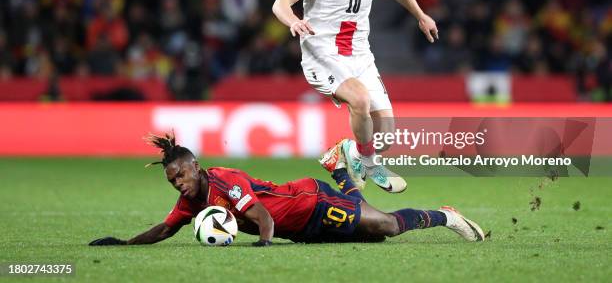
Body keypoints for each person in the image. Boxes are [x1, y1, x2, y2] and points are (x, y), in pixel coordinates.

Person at [272, 0, 438, 193]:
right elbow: (280, 3)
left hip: (360, 56)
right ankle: (370, 164)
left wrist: (421, 15)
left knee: (384, 136)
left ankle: (351, 151)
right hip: (321, 54)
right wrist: (294, 21)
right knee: (359, 101)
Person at [89, 134, 484, 246]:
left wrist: (262, 247)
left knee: (387, 228)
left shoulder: (227, 181)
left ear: (197, 166)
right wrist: (124, 243)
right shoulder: (190, 200)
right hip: (303, 231)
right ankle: (340, 168)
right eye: (173, 181)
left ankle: (445, 215)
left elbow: (261, 218)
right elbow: (165, 228)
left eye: (181, 175)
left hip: (310, 203)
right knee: (371, 236)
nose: (179, 183)